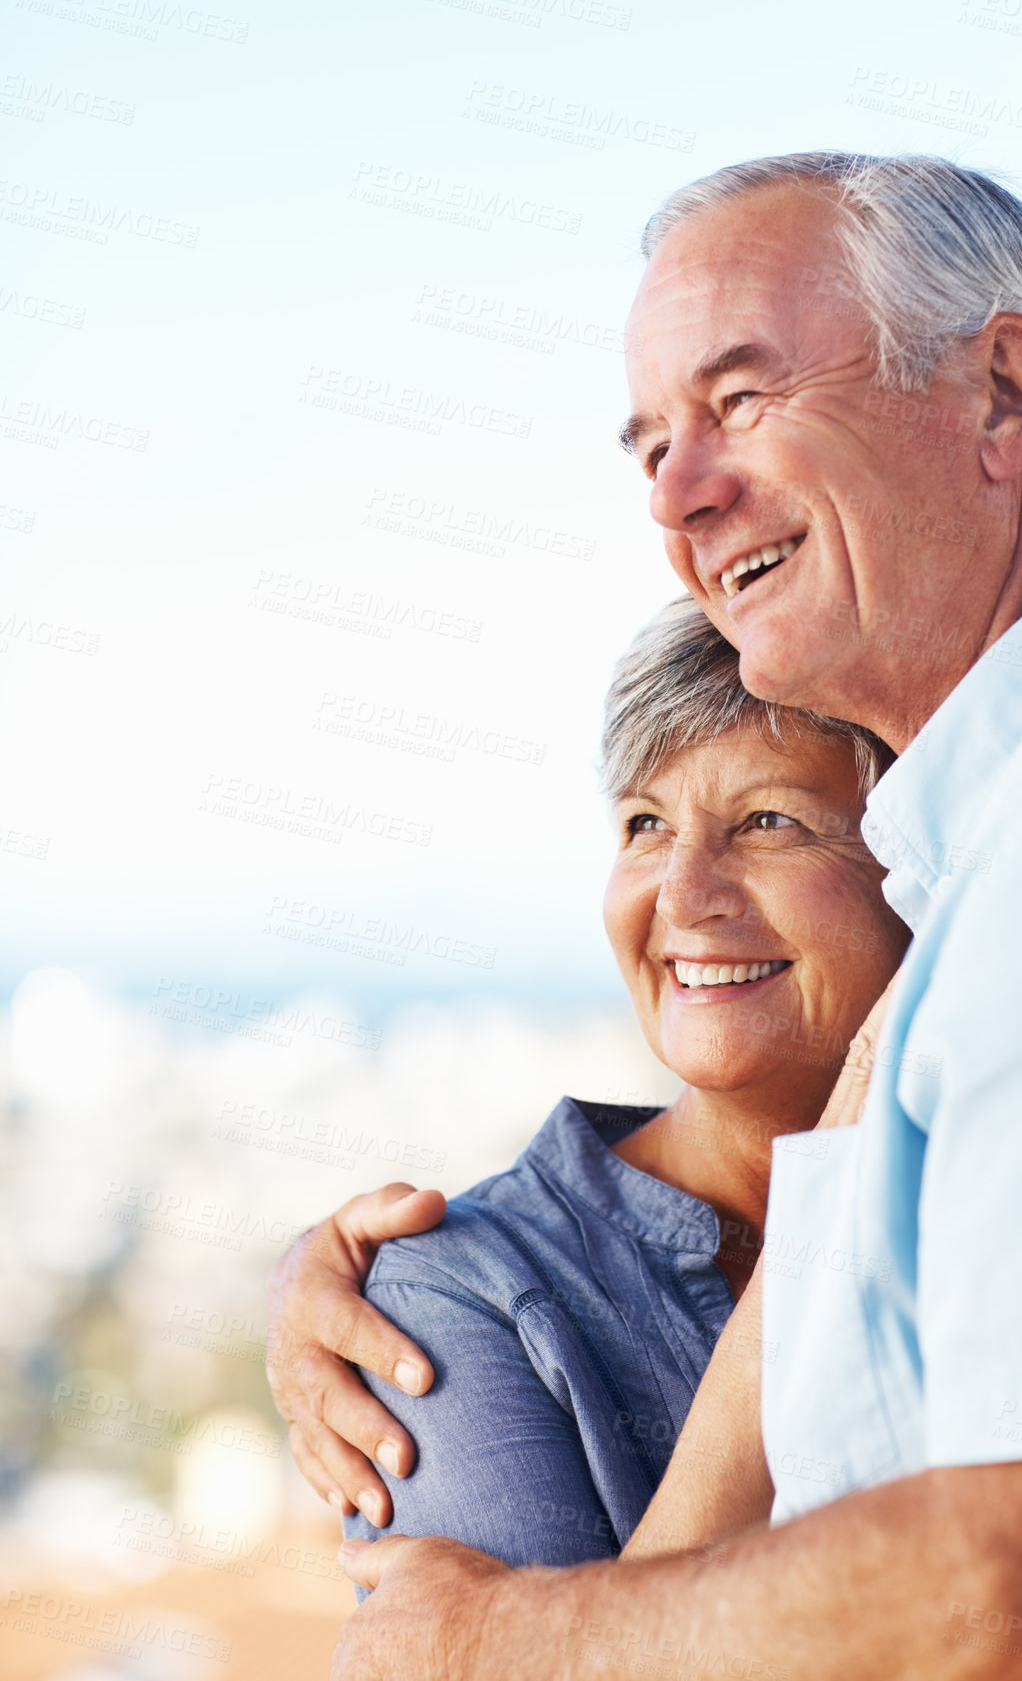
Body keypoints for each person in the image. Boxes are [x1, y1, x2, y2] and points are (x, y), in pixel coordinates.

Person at [278, 153, 1022, 1679]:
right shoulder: (1009, 851)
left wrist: (496, 1641)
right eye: (651, 446)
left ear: (1006, 396)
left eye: (739, 400)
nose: (678, 493)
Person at [271, 595, 908, 1570]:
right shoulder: (456, 1295)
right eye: (643, 824)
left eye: (768, 820)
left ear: (922, 872)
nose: (684, 894)